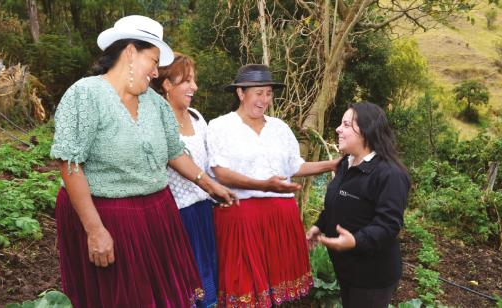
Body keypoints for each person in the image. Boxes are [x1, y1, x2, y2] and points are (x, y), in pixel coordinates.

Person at [50, 15, 236, 307]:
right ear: (130, 52)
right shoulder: (85, 95)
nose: (155, 71)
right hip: (107, 215)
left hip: (156, 213)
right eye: (154, 60)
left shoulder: (154, 103)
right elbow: (70, 165)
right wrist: (95, 230)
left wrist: (208, 184)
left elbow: (174, 152)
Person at [206, 64, 340, 307]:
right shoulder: (220, 126)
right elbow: (220, 173)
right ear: (240, 93)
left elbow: (295, 167)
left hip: (280, 218)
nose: (265, 99)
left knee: (276, 293)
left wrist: (332, 164)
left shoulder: (279, 128)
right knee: (244, 288)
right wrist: (263, 185)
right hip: (241, 217)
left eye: (268, 93)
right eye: (259, 93)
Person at [306, 101, 411, 308]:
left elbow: (388, 225)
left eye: (346, 124)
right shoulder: (346, 163)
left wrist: (354, 240)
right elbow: (336, 204)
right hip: (347, 269)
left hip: (372, 275)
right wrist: (319, 225)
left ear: (365, 131)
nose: (338, 129)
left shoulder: (389, 174)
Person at [151, 53, 218, 308]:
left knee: (209, 279)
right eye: (187, 80)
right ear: (167, 84)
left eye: (194, 80)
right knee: (186, 286)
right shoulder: (157, 119)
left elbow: (211, 163)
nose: (195, 87)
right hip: (177, 217)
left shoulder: (197, 117)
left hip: (205, 212)